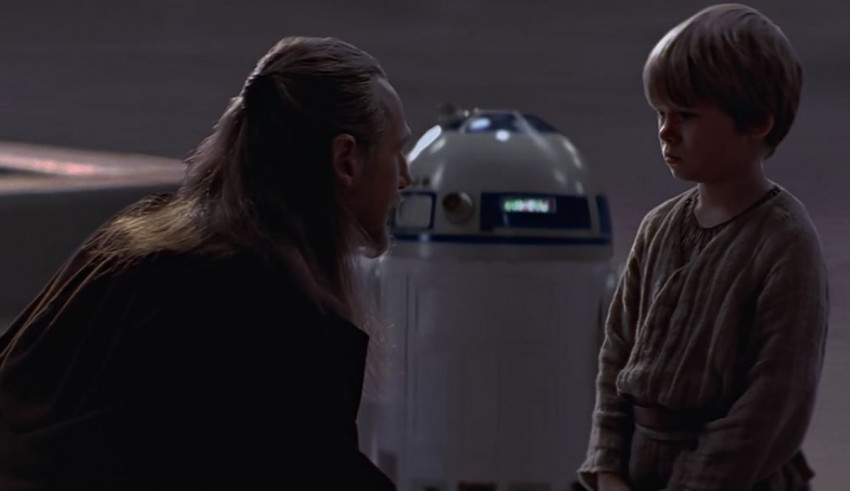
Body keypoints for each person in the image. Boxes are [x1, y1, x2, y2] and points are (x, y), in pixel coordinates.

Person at [0, 36, 411, 490]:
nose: (405, 177)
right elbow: (313, 467)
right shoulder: (273, 309)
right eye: (397, 152)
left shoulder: (134, 238)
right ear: (346, 160)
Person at [578, 4, 829, 490]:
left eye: (686, 115)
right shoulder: (657, 229)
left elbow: (773, 403)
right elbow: (617, 358)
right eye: (660, 113)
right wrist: (608, 469)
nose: (666, 131)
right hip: (636, 473)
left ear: (757, 120)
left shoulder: (785, 243)